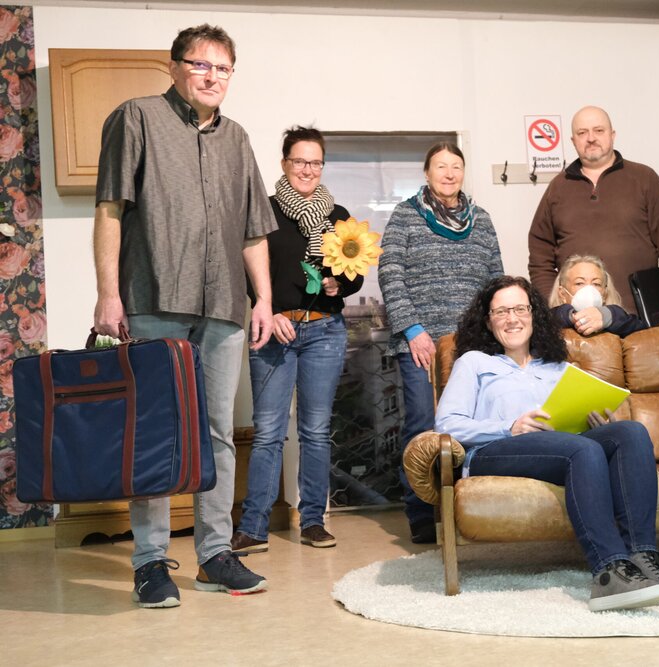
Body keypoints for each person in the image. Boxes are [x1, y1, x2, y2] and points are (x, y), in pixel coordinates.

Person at [92, 24, 275, 608]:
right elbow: (110, 210)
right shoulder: (136, 118)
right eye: (200, 64)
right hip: (153, 298)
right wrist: (108, 294)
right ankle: (149, 562)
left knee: (218, 432)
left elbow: (253, 230)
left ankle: (215, 555)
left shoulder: (237, 138)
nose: (211, 76)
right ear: (173, 67)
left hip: (223, 305)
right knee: (154, 432)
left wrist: (264, 299)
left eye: (222, 68)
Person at [436, 275, 659, 612]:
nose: (512, 318)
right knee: (582, 449)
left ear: (534, 315)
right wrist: (509, 427)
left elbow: (565, 422)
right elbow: (447, 424)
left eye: (520, 309)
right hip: (493, 451)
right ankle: (609, 572)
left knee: (630, 433)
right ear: (487, 321)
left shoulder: (556, 367)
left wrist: (593, 424)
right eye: (501, 312)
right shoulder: (473, 362)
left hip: (557, 448)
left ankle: (643, 561)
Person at [231, 126, 362, 555]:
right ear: (284, 163)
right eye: (299, 161)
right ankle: (253, 527)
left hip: (325, 331)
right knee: (268, 432)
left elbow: (355, 272)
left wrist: (338, 285)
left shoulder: (338, 215)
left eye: (315, 162)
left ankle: (313, 521)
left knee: (316, 431)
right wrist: (267, 311)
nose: (308, 169)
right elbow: (246, 269)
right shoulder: (264, 211)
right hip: (274, 332)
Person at [378, 142, 504, 543]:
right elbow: (390, 273)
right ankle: (421, 514)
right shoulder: (405, 216)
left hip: (474, 346)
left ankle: (470, 509)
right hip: (421, 342)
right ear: (427, 173)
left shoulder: (481, 220)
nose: (449, 174)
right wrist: (412, 329)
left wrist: (496, 335)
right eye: (441, 166)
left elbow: (496, 281)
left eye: (456, 167)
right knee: (423, 425)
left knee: (473, 424)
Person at [528, 105, 659, 322]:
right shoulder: (558, 187)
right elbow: (539, 256)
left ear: (612, 135)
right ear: (573, 141)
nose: (591, 138)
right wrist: (554, 308)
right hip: (577, 320)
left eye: (599, 130)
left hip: (638, 317)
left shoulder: (644, 179)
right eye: (582, 133)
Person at [548, 254, 645, 337]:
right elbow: (549, 319)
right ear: (562, 294)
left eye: (596, 284)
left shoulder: (618, 322)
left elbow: (641, 329)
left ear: (604, 294)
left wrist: (609, 315)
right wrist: (572, 316)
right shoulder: (552, 318)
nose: (589, 289)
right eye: (579, 283)